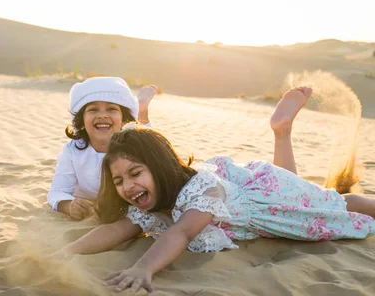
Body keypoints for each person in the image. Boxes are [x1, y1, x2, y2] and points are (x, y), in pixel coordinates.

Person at [59, 87, 375, 293]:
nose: (128, 186)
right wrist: (67, 252)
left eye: (136, 174)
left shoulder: (202, 192)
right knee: (306, 190)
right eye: (119, 181)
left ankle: (282, 132)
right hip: (258, 196)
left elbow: (181, 233)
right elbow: (117, 230)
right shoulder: (150, 203)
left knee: (335, 203)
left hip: (267, 197)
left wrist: (143, 268)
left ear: (161, 168)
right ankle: (282, 133)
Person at [47, 76, 158, 220]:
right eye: (93, 110)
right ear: (81, 120)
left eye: (112, 109)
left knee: (144, 137)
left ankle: (141, 111)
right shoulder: (72, 150)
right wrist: (68, 206)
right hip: (91, 203)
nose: (103, 115)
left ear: (123, 118)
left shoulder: (133, 146)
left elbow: (155, 154)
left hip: (125, 205)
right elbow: (57, 191)